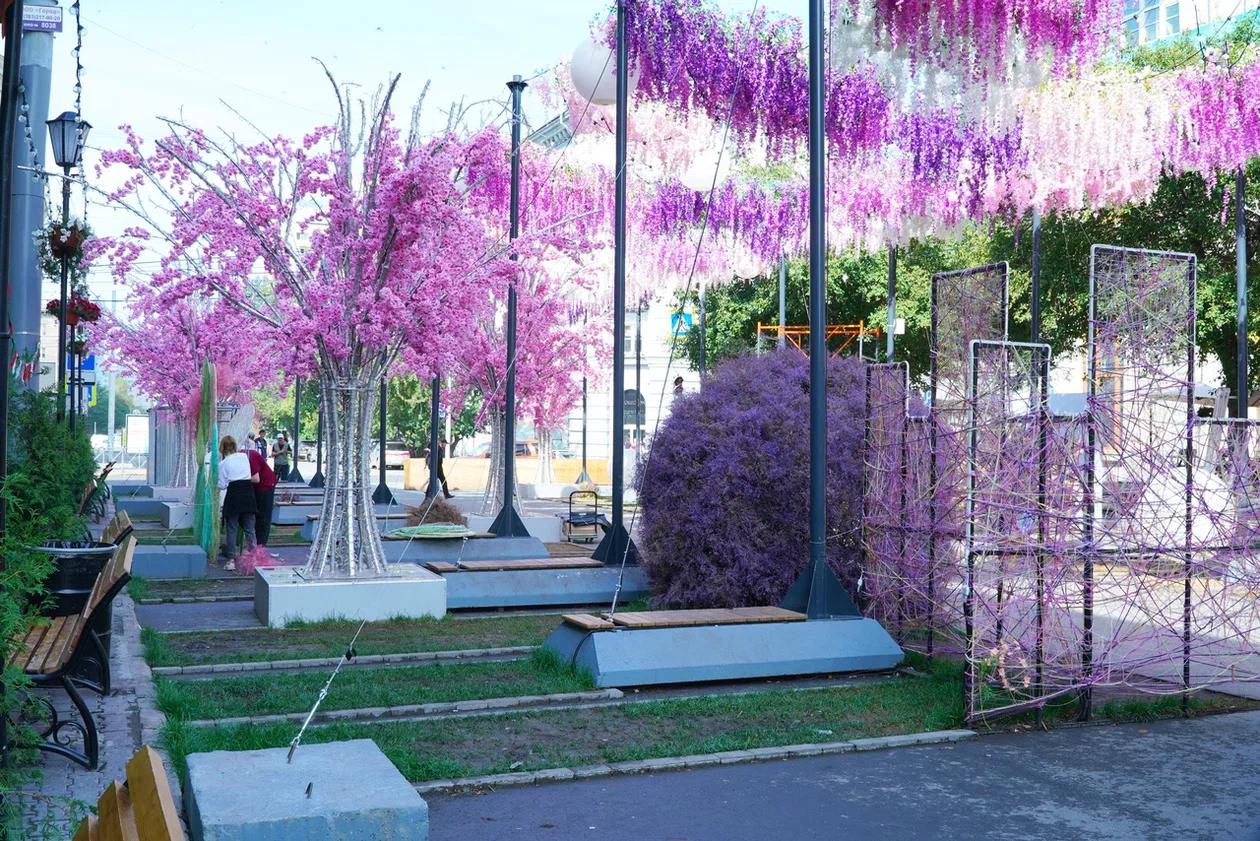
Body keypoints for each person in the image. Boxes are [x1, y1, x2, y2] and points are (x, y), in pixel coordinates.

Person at [218, 436, 258, 571]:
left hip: (234, 495)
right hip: (248, 493)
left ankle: (231, 560)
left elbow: (222, 486)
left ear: (222, 448)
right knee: (250, 529)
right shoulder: (243, 457)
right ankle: (254, 559)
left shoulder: (223, 464)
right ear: (234, 445)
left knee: (232, 528)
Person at [246, 445, 278, 546]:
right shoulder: (246, 456)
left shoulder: (251, 456)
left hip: (265, 485)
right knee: (255, 514)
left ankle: (261, 544)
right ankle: (256, 541)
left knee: (263, 516)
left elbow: (256, 478)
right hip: (257, 486)